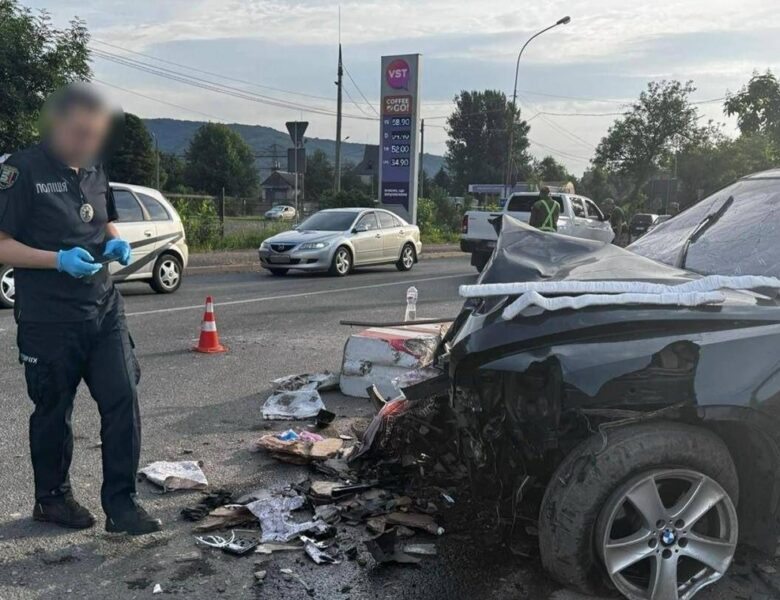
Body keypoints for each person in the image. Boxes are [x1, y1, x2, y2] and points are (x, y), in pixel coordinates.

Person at [0, 84, 161, 535]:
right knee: (53, 408)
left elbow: (102, 215)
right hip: (49, 317)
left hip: (103, 307)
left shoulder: (94, 167)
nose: (86, 143)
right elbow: (2, 244)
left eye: (93, 135)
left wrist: (115, 237)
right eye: (78, 134)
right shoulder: (21, 170)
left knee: (123, 396)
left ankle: (122, 505)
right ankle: (51, 499)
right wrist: (57, 260)